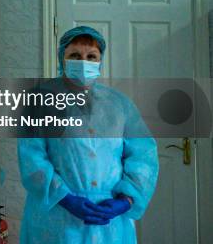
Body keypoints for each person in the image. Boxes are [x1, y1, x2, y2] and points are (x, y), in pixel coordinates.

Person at [17, 26, 159, 243]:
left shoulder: (118, 104)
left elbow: (143, 156)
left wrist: (127, 199)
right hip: (56, 217)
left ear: (100, 61)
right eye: (75, 55)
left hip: (109, 219)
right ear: (61, 58)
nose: (84, 62)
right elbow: (32, 159)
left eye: (91, 56)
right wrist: (64, 198)